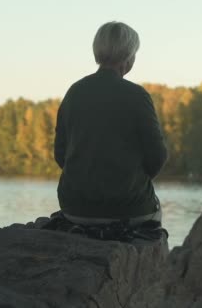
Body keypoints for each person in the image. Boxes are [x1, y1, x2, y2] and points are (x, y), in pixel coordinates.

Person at [54, 21, 167, 227]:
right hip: (128, 211)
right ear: (128, 56)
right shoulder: (137, 96)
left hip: (75, 209)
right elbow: (157, 156)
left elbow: (60, 154)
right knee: (157, 212)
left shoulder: (74, 92)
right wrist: (131, 181)